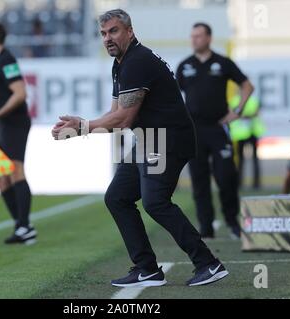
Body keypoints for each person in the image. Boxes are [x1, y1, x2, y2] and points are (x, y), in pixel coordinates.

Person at [51, 9, 228, 288]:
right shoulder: (121, 63)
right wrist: (81, 126)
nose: (107, 38)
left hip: (166, 139)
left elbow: (123, 119)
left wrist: (81, 127)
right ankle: (147, 269)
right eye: (103, 33)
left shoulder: (137, 62)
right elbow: (115, 116)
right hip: (149, 139)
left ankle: (208, 263)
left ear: (130, 31)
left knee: (155, 202)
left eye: (114, 31)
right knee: (117, 197)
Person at [176, 23, 254, 239]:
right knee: (199, 181)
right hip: (194, 131)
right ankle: (206, 227)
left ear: (209, 38)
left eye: (199, 36)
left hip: (218, 128)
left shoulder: (223, 62)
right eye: (192, 36)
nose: (194, 40)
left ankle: (232, 223)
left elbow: (247, 86)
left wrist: (237, 111)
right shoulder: (184, 66)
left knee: (226, 177)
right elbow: (174, 97)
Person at [0, 22, 36, 245]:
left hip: (15, 123)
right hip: (6, 125)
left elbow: (21, 93)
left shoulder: (6, 60)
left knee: (15, 170)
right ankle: (21, 225)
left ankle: (24, 227)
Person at [229, 95, 265, 189]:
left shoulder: (239, 100)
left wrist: (244, 115)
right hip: (242, 133)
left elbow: (257, 112)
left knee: (252, 159)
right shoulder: (238, 100)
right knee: (242, 160)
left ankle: (254, 183)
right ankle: (241, 183)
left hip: (251, 132)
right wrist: (248, 115)